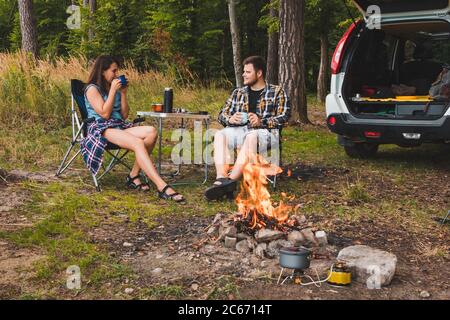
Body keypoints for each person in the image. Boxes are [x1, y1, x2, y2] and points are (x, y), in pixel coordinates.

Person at [81, 55, 185, 202]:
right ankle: (162, 186)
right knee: (137, 142)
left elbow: (123, 115)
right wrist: (112, 91)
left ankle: (133, 175)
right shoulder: (92, 89)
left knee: (151, 132)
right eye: (113, 71)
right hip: (101, 128)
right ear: (102, 71)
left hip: (118, 125)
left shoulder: (114, 88)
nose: (116, 74)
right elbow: (104, 114)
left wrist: (123, 93)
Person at [204, 56, 290, 201]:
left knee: (251, 136)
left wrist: (261, 121)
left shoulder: (277, 92)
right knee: (220, 135)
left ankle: (230, 180)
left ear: (259, 73)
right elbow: (221, 114)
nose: (243, 74)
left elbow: (285, 116)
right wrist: (229, 119)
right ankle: (221, 179)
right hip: (240, 130)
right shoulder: (238, 92)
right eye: (244, 71)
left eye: (247, 72)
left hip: (266, 132)